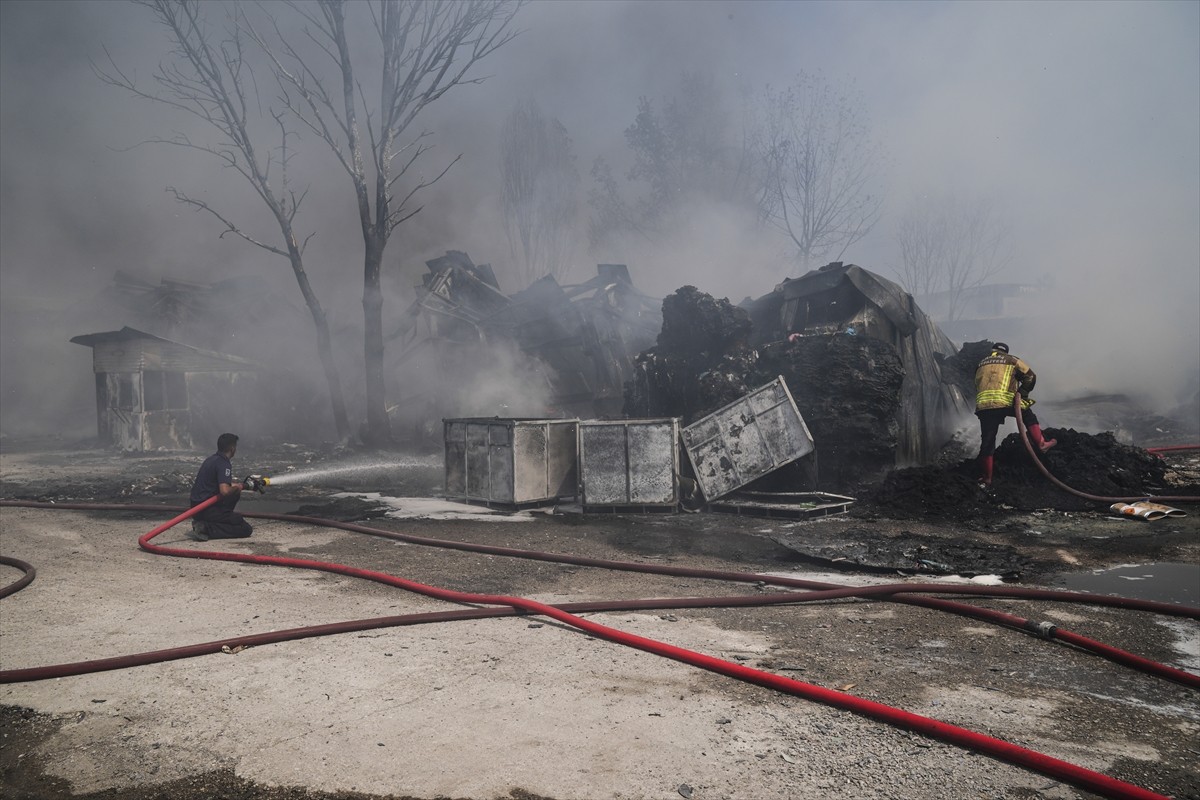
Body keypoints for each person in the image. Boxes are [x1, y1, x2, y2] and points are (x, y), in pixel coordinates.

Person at [974, 342, 1056, 488]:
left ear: (992, 351)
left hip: (984, 406)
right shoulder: (1012, 360)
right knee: (1028, 415)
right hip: (1006, 401)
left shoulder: (981, 363)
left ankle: (987, 478)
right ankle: (1041, 443)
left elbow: (978, 383)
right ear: (1005, 352)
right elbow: (1030, 376)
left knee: (987, 442)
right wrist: (1022, 393)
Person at [188, 433, 253, 541]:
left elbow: (217, 484)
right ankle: (206, 528)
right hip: (206, 510)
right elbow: (225, 491)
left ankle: (209, 522)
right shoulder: (224, 463)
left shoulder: (211, 460)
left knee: (235, 491)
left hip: (196, 508)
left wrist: (244, 485)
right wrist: (239, 487)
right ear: (232, 448)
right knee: (244, 527)